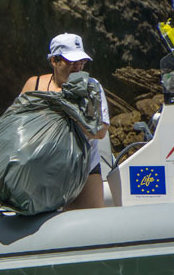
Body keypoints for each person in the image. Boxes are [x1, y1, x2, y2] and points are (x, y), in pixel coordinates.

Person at [20, 33, 110, 209]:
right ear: (54, 61)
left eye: (81, 61)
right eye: (72, 62)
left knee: (93, 219)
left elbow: (100, 132)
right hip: (44, 167)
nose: (78, 67)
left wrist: (72, 112)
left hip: (84, 167)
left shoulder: (92, 87)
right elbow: (16, 124)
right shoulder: (34, 85)